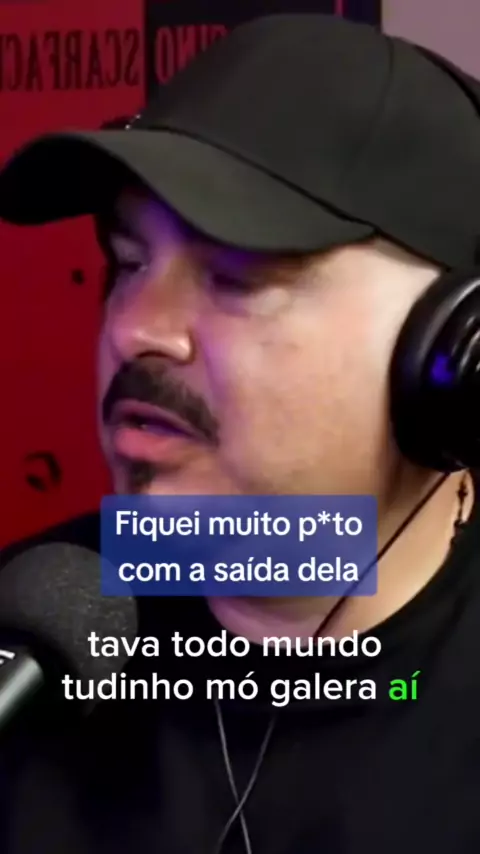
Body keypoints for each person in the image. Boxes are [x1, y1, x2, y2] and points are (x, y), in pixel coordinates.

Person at [0, 12, 480, 854]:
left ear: (458, 355)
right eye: (128, 262)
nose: (135, 329)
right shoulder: (28, 639)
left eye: (237, 275)